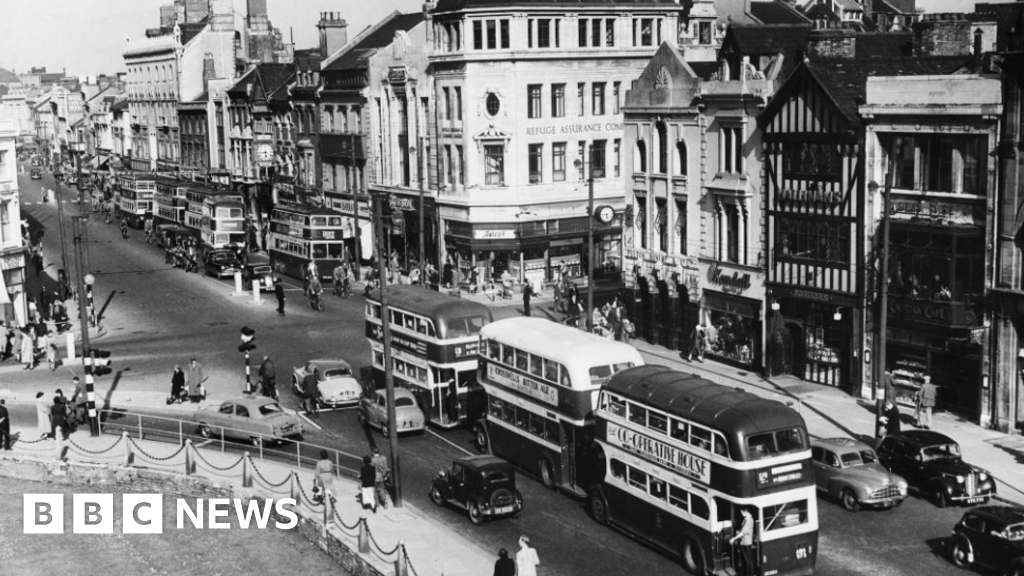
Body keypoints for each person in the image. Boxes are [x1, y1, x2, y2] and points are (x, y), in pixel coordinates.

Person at [730, 508, 755, 576]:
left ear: (745, 511)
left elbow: (743, 533)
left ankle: (749, 574)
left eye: (742, 512)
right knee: (744, 559)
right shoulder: (745, 519)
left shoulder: (749, 520)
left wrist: (734, 538)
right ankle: (743, 573)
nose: (741, 514)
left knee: (748, 560)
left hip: (747, 542)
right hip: (743, 542)